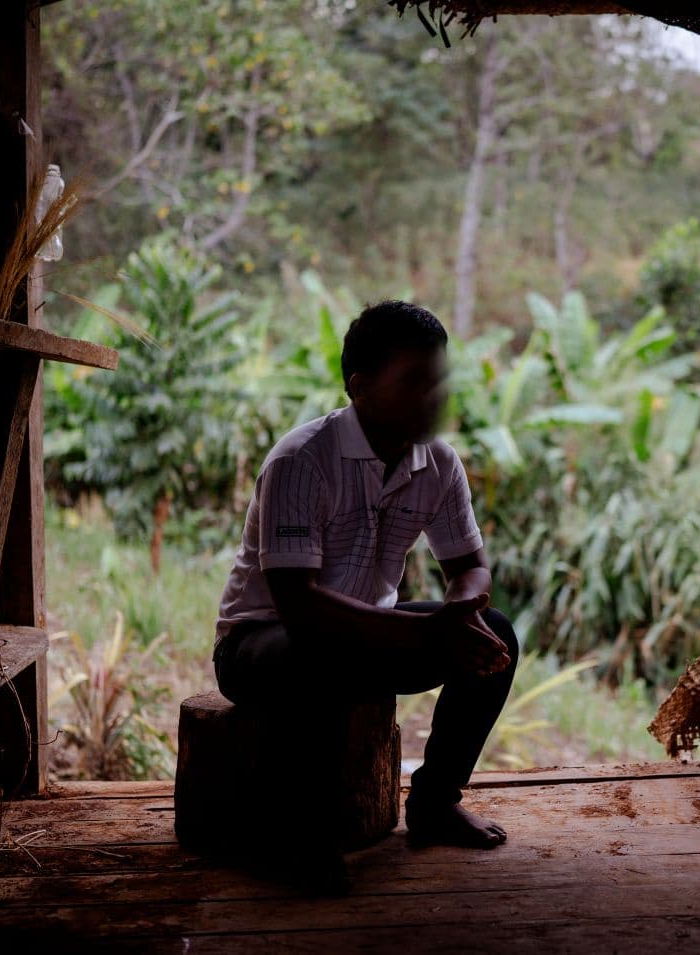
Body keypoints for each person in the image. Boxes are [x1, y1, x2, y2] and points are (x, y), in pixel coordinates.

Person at [212, 300, 518, 894]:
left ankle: (434, 803)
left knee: (498, 633)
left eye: (438, 382)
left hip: (369, 636)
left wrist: (463, 610)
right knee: (316, 656)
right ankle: (298, 838)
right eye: (413, 383)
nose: (433, 398)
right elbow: (300, 606)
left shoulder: (439, 464)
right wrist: (429, 633)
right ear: (360, 386)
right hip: (265, 644)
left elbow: (471, 567)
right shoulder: (302, 460)